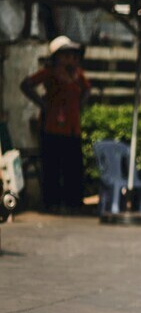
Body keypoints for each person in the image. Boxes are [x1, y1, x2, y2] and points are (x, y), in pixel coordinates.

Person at [20, 36, 91, 213]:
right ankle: (52, 204)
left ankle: (73, 204)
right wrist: (42, 104)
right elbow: (26, 84)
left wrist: (79, 106)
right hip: (52, 128)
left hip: (72, 129)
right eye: (66, 55)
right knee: (52, 168)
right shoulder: (50, 73)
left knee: (73, 168)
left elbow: (87, 90)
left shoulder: (77, 74)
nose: (71, 59)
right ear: (58, 56)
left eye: (73, 55)